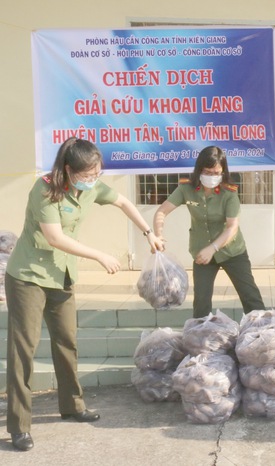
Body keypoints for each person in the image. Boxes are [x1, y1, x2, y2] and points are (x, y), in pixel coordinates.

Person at [5, 138, 164, 451]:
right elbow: (55, 237)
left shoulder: (91, 187)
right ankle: (19, 426)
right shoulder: (45, 189)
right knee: (23, 351)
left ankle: (72, 406)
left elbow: (123, 203)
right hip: (28, 278)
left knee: (67, 342)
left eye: (97, 173)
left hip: (61, 276)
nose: (94, 179)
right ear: (69, 169)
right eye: (88, 174)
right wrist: (99, 255)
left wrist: (149, 233)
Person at [153, 145, 265, 318]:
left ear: (223, 172)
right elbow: (161, 212)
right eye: (208, 172)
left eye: (217, 173)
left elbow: (232, 227)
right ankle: (201, 337)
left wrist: (213, 248)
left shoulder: (229, 193)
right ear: (199, 170)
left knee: (250, 297)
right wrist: (158, 235)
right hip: (201, 252)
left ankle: (264, 332)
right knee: (201, 303)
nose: (212, 177)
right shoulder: (186, 189)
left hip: (231, 251)